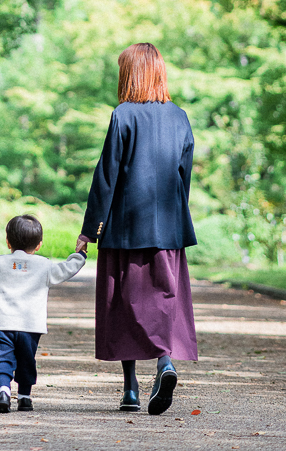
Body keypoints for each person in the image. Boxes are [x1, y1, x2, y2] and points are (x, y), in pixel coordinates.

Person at [77, 42, 197, 416]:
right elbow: (184, 174)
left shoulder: (123, 115)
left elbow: (107, 176)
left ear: (130, 74)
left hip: (124, 228)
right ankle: (165, 363)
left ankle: (130, 389)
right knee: (164, 298)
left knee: (123, 303)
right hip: (168, 229)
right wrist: (176, 217)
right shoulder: (180, 117)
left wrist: (90, 230)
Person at [0, 214, 86, 412]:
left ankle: (4, 390)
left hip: (1, 324)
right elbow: (67, 269)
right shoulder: (44, 265)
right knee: (26, 361)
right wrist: (80, 255)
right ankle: (24, 396)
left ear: (8, 242)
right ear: (39, 245)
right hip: (30, 327)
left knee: (1, 360)